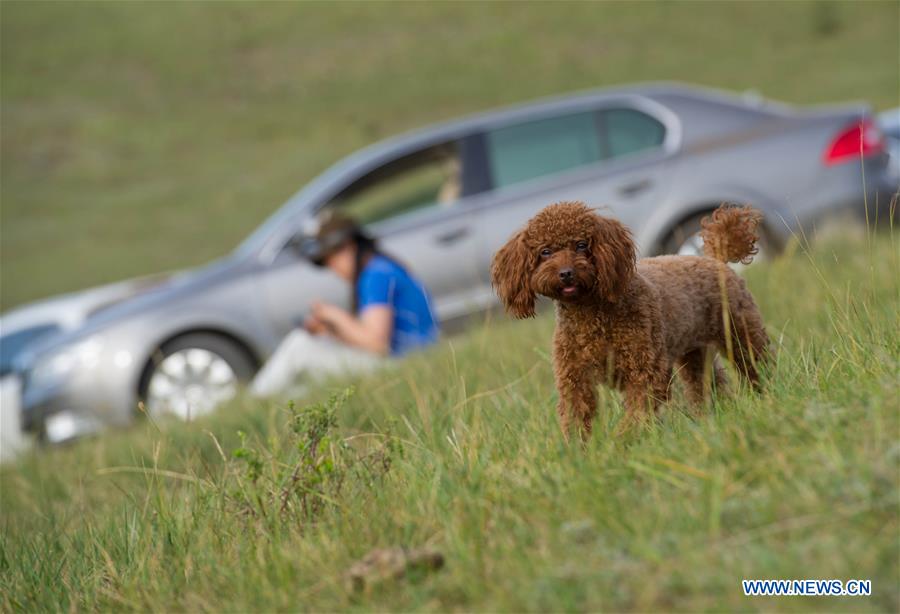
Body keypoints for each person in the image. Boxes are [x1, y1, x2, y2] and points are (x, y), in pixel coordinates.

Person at [251, 211, 439, 397]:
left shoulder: (375, 276)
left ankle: (253, 400)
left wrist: (334, 315)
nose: (333, 269)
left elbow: (377, 344)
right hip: (417, 361)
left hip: (403, 366)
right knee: (304, 388)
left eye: (331, 259)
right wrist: (332, 331)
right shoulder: (384, 266)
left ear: (348, 246)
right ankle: (258, 410)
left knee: (299, 345)